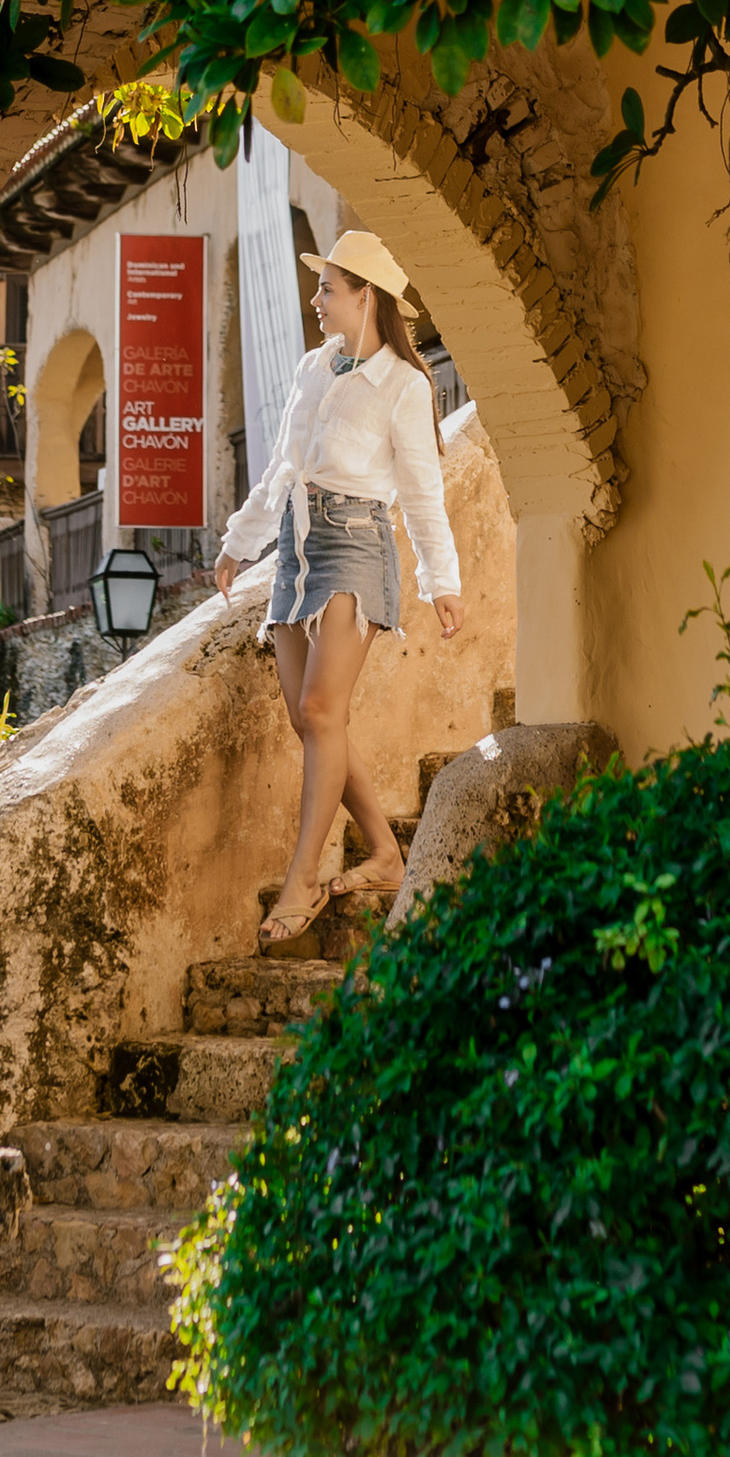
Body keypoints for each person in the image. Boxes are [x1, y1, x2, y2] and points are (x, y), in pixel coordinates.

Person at [214, 226, 462, 945]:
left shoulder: (406, 385)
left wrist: (440, 581)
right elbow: (282, 467)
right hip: (295, 543)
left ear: (366, 297)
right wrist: (239, 541)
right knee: (309, 719)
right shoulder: (313, 368)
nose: (316, 299)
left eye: (328, 287)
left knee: (323, 707)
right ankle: (385, 852)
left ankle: (303, 878)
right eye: (318, 286)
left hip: (355, 542)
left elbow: (421, 494)